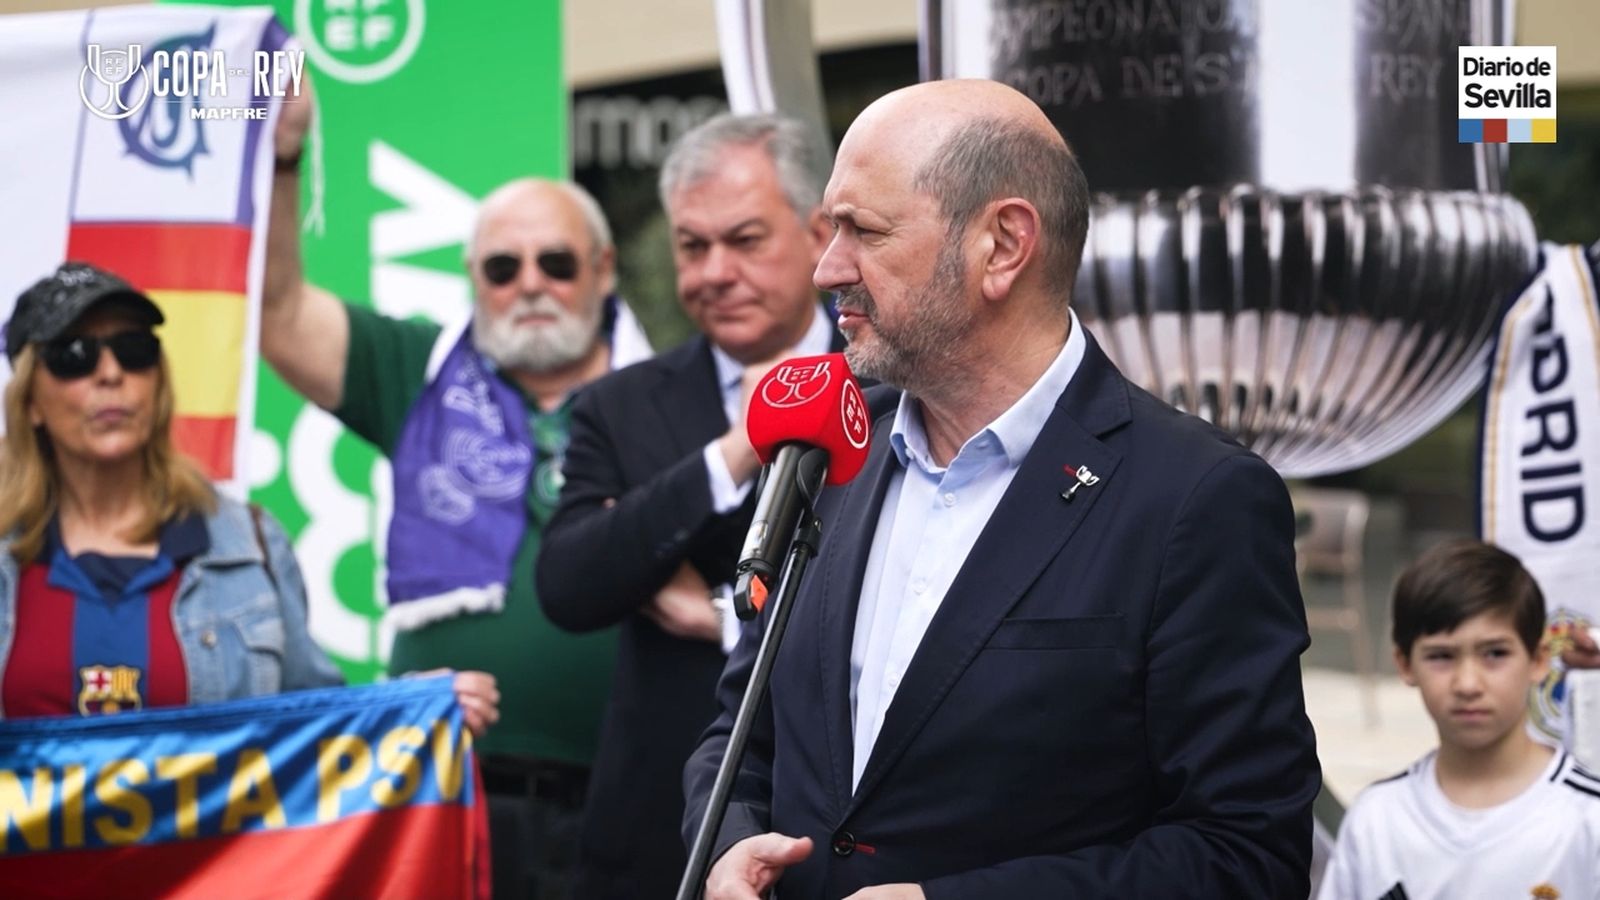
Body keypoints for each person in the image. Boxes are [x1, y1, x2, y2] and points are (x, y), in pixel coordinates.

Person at [683, 79, 1320, 899]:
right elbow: (740, 733)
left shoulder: (1197, 499)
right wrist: (729, 844)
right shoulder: (829, 443)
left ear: (1003, 244)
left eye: (863, 231)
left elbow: (1247, 855)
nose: (826, 267)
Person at [265, 83, 648, 900]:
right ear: (474, 279)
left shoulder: (672, 398)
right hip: (444, 794)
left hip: (631, 805)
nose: (531, 285)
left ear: (603, 269)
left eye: (557, 262)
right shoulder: (418, 371)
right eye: (503, 268)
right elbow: (280, 312)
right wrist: (284, 160)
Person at [536, 113, 841, 899]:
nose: (714, 271)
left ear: (818, 234)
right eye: (691, 246)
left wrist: (722, 613)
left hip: (832, 824)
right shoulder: (620, 404)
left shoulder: (891, 387)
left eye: (745, 241)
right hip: (655, 834)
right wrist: (736, 450)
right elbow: (572, 582)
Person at [0, 262, 497, 733]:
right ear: (30, 403)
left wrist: (407, 712)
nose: (110, 374)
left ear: (159, 382)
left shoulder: (245, 543)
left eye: (133, 350)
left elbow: (310, 730)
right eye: (74, 357)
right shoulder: (8, 552)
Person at [1318, 540, 1600, 900]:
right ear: (1405, 664)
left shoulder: (1588, 821)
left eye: (1495, 653)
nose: (1468, 683)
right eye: (1441, 656)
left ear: (1538, 659)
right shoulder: (1376, 821)